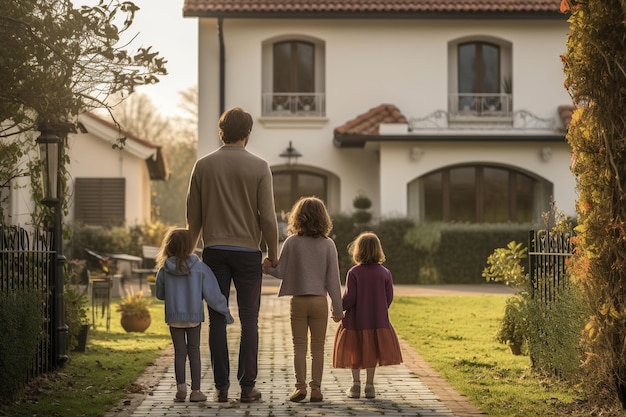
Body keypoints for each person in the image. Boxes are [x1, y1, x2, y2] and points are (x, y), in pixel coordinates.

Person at [186, 106, 279, 403]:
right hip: (249, 252)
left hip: (214, 252)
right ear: (248, 133)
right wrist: (273, 252)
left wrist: (188, 253)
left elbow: (193, 217)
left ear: (221, 131)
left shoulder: (203, 165)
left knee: (216, 320)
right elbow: (267, 217)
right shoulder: (260, 166)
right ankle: (248, 387)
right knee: (249, 320)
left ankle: (221, 388)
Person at [263, 196, 344, 403]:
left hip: (298, 301)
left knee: (299, 346)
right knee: (318, 347)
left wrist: (266, 268)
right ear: (323, 218)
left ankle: (299, 388)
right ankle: (316, 389)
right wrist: (338, 308)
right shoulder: (329, 245)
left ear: (297, 217)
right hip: (319, 302)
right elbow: (334, 280)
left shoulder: (292, 242)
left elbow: (281, 272)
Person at [154, 228, 235, 403]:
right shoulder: (200, 268)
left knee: (179, 353)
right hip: (193, 317)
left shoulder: (164, 269)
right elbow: (213, 294)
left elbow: (160, 294)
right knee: (194, 351)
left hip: (174, 317)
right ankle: (196, 391)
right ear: (190, 246)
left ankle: (181, 389)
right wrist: (225, 312)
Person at [332, 231, 403, 399]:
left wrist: (338, 309)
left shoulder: (354, 272)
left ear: (358, 250)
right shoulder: (385, 273)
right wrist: (379, 308)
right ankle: (370, 386)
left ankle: (355, 385)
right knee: (372, 352)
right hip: (377, 320)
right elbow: (389, 297)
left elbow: (350, 297)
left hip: (356, 321)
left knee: (354, 350)